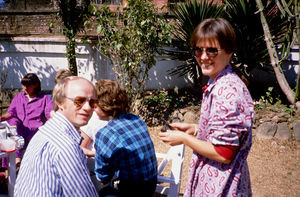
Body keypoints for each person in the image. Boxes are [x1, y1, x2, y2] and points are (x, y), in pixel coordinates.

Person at [159, 18, 254, 196]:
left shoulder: (227, 91)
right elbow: (225, 135)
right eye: (198, 50)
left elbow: (224, 153)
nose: (203, 57)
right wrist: (197, 129)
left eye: (211, 50)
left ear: (229, 52)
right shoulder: (220, 82)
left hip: (222, 186)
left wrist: (184, 139)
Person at [14, 76, 99, 197]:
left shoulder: (46, 131)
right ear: (60, 102)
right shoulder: (66, 146)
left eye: (92, 102)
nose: (88, 108)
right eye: (79, 101)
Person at [94, 79, 157, 197]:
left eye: (94, 105)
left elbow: (103, 176)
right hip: (151, 185)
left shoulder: (106, 134)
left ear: (104, 106)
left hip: (132, 190)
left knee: (103, 191)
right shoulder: (136, 119)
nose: (93, 109)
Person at [0, 73, 53, 169]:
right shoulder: (19, 97)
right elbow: (11, 113)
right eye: (23, 85)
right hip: (17, 129)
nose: (25, 88)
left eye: (28, 85)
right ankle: (10, 166)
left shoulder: (44, 99)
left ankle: (15, 161)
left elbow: (50, 116)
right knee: (12, 123)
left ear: (36, 85)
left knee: (13, 128)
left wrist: (46, 127)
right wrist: (1, 118)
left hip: (34, 130)